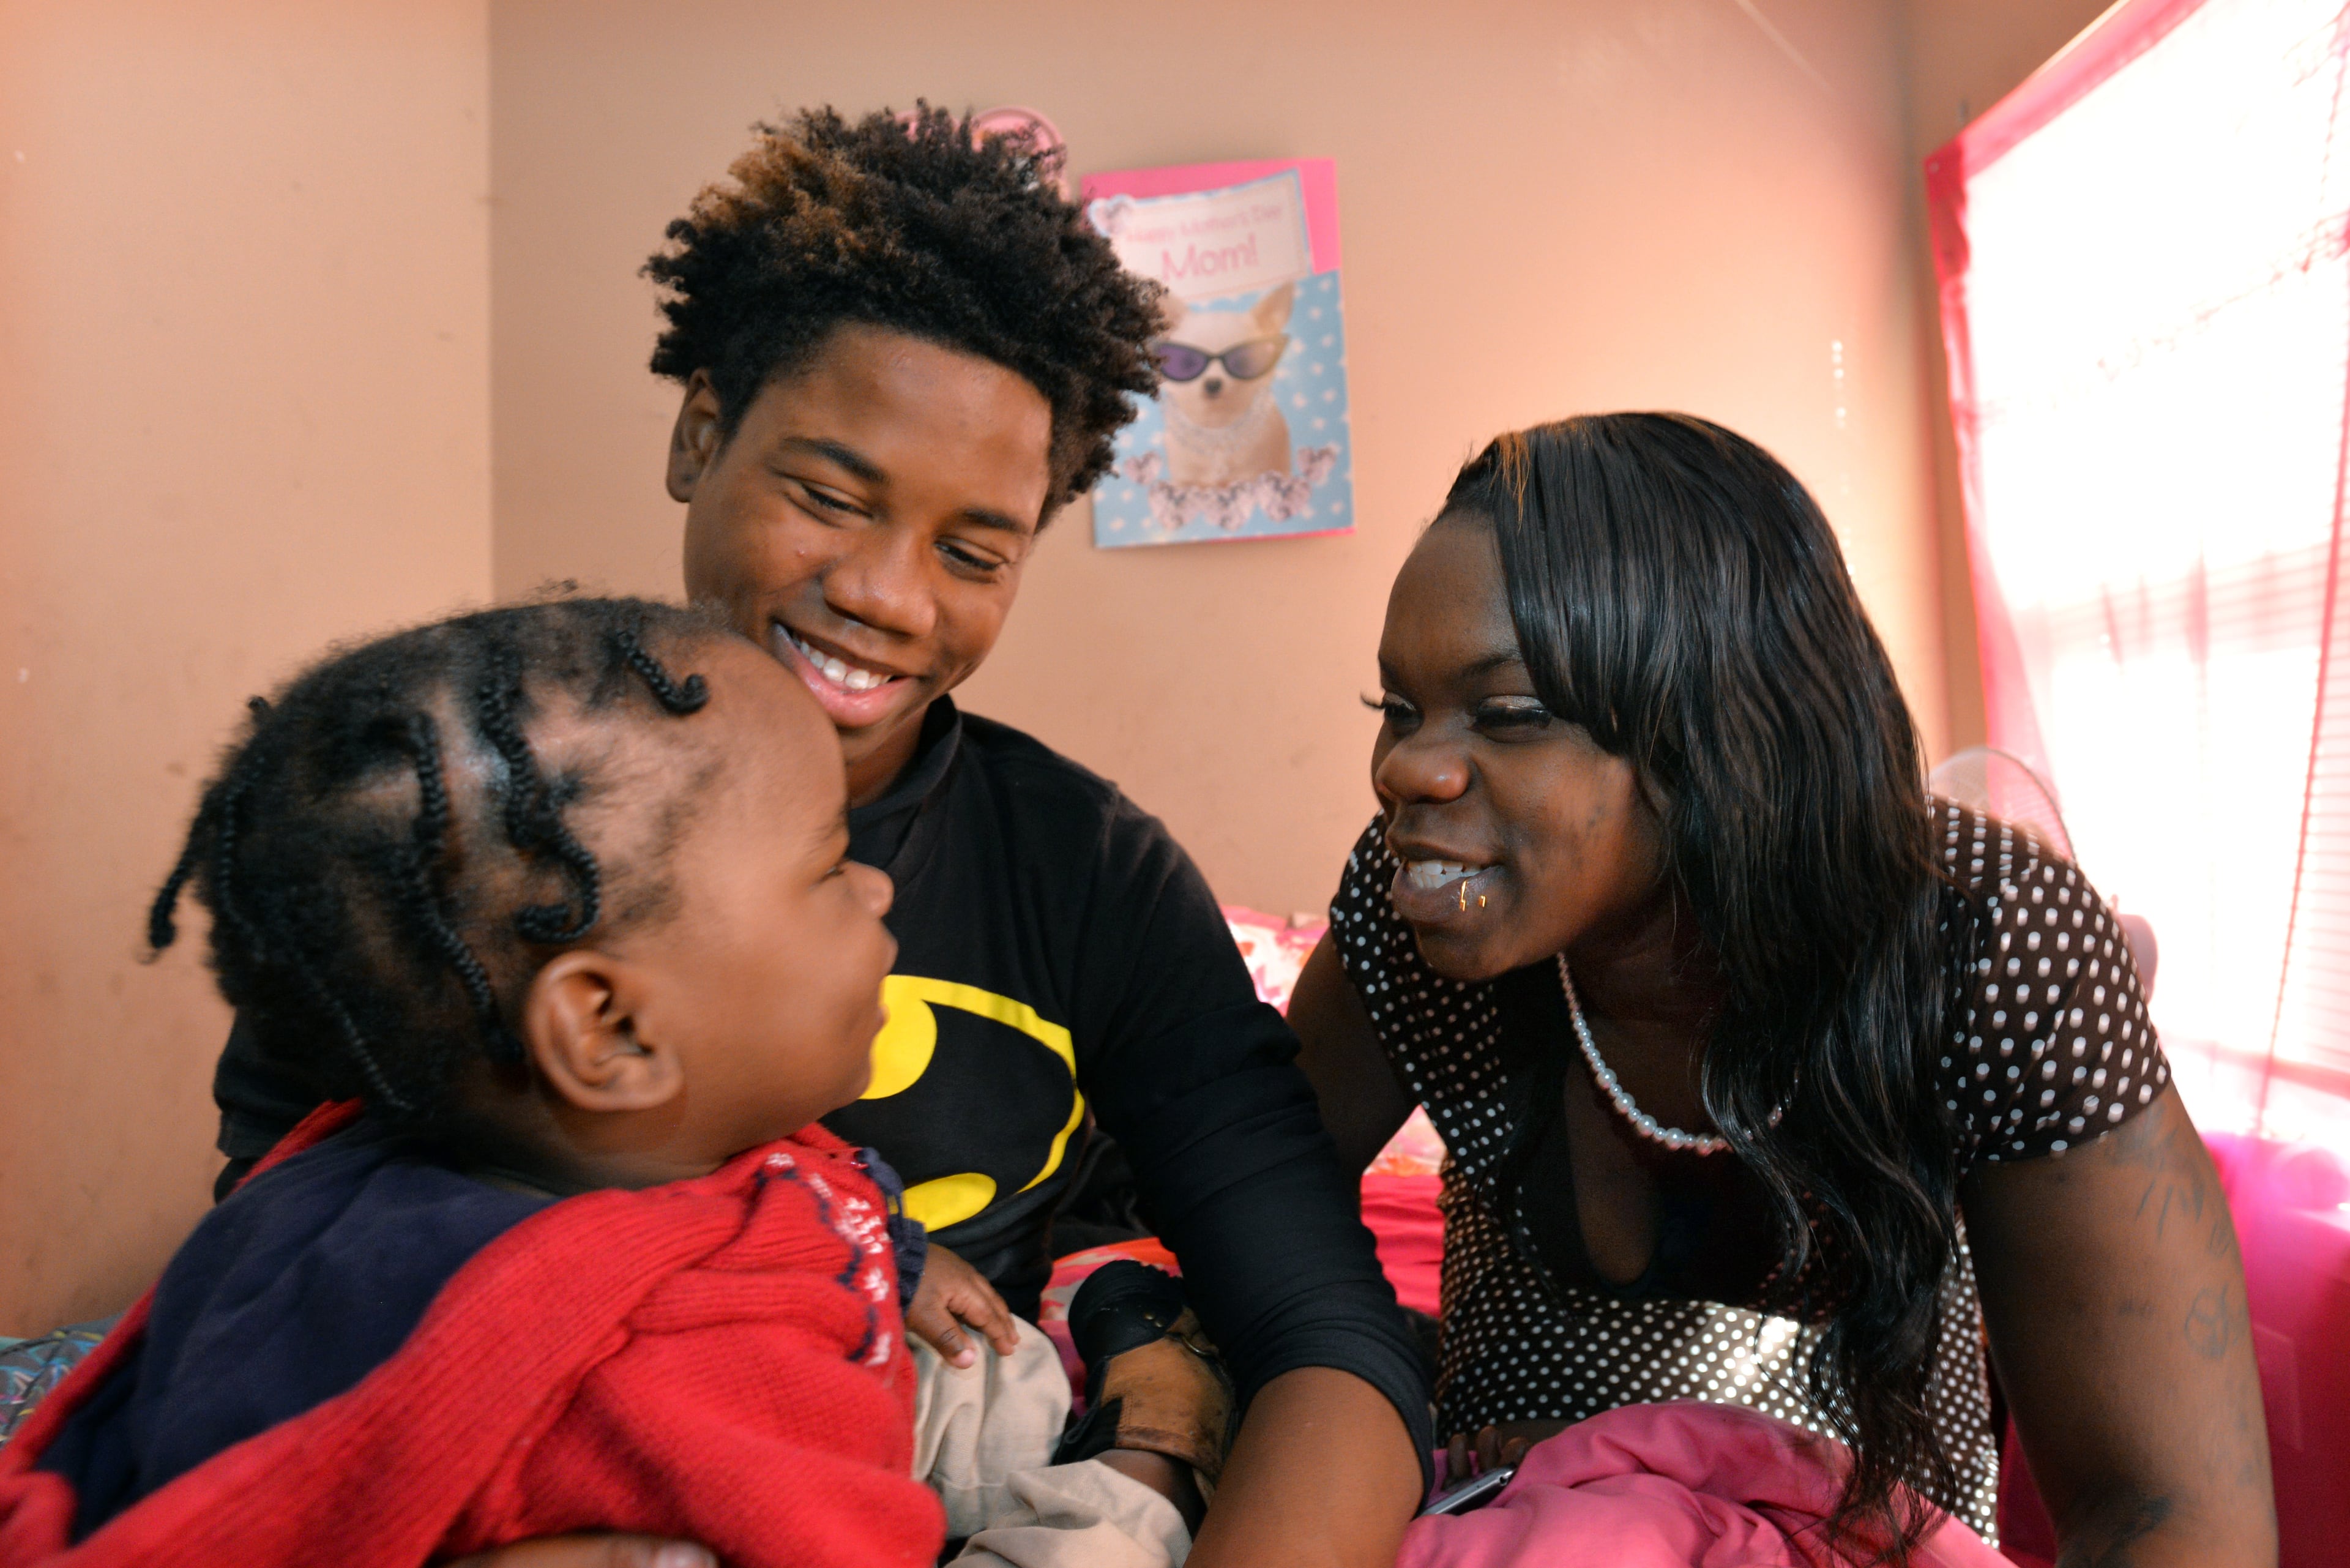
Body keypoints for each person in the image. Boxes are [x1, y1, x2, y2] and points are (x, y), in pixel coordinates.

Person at [201, 108, 1428, 1568]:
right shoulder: (481, 817)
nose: (892, 597)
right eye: (830, 497)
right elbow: (303, 1267)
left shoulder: (1090, 874)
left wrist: (1155, 1467)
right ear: (702, 431)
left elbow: (1320, 1325)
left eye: (976, 552)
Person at [1289, 415, 2277, 1565]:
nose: (1407, 767)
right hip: (1518, 1517)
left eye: (1505, 713)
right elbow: (1229, 1212)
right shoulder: (1419, 912)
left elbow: (2170, 1510)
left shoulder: (1987, 941)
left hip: (1880, 1531)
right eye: (1398, 710)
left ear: (1718, 726)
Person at [0, 599, 942, 1566]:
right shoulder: (680, 1387)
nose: (878, 888)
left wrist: (898, 1259)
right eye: (831, 866)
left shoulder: (331, 1188)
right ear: (612, 1031)